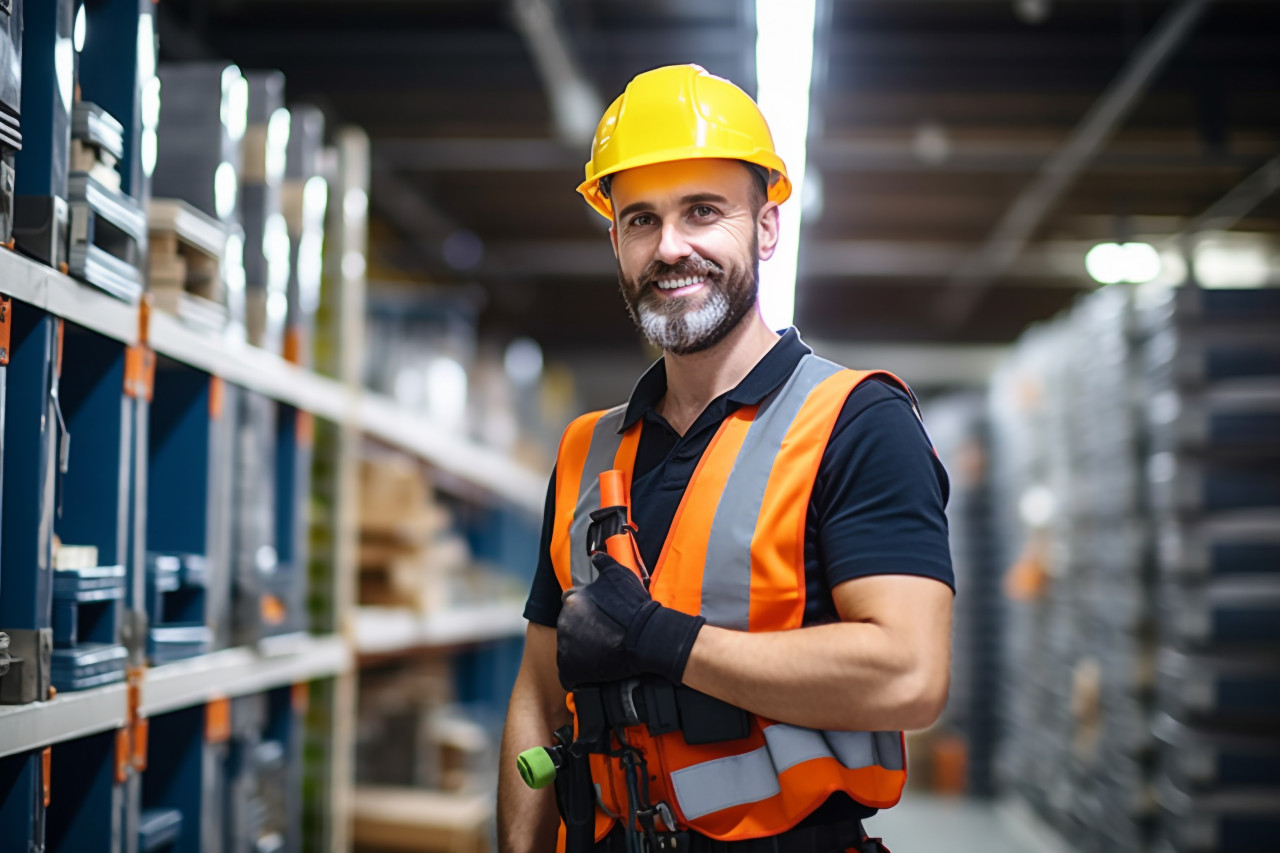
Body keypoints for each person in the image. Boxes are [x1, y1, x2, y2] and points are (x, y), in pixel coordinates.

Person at [498, 64, 954, 853]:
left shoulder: (855, 422)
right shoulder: (586, 450)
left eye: (702, 212)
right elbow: (539, 696)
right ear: (616, 241)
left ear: (767, 227)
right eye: (640, 220)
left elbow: (908, 674)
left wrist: (665, 639)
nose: (670, 247)